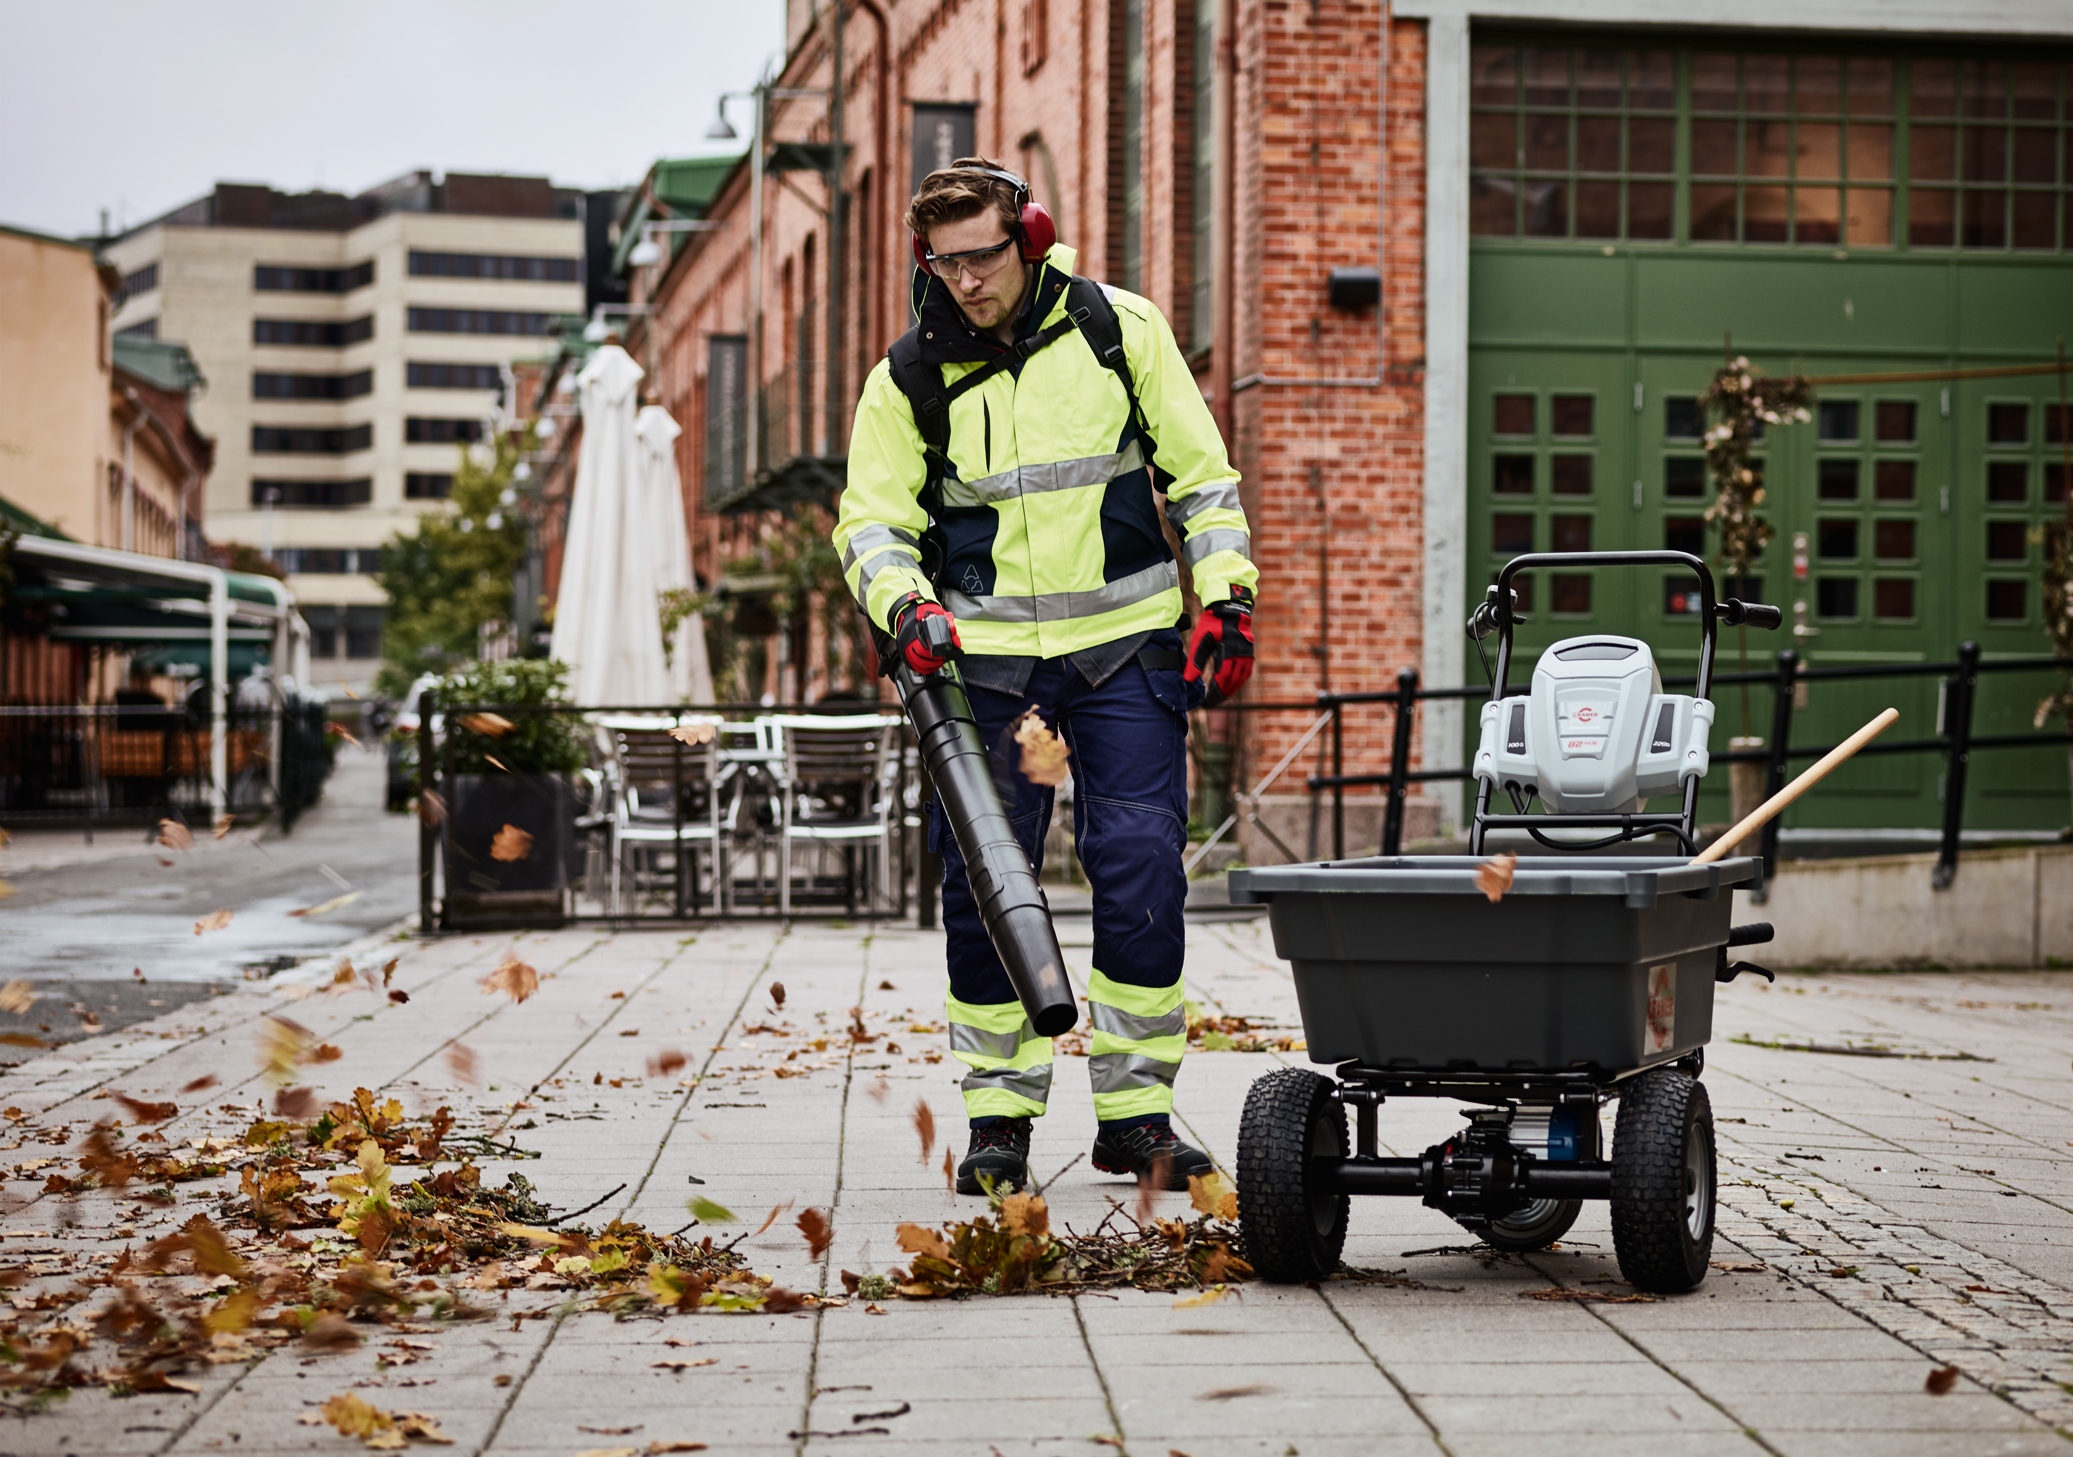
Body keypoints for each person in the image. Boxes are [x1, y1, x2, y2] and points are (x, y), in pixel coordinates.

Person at [833, 159, 1260, 1195]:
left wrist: (1229, 597)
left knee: (1144, 867)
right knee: (988, 887)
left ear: (1028, 236)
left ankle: (1135, 1113)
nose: (965, 280)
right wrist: (906, 605)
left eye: (981, 255)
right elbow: (873, 524)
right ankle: (1000, 1119)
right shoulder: (907, 377)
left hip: (1126, 653)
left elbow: (1201, 479)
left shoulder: (1121, 330)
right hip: (982, 669)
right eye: (944, 262)